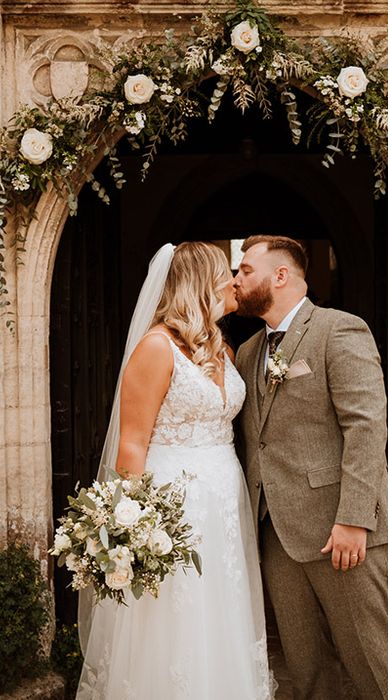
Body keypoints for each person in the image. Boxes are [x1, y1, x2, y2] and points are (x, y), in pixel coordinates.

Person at [77, 242, 274, 699]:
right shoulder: (155, 347)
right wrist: (132, 526)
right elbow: (132, 440)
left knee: (221, 610)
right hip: (174, 503)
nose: (234, 281)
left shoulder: (220, 346)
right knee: (177, 618)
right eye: (226, 273)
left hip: (224, 499)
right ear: (202, 283)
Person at [233, 235, 388, 700]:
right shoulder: (249, 351)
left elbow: (366, 427)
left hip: (342, 528)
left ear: (281, 275)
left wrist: (355, 518)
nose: (236, 280)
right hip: (275, 530)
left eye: (245, 270)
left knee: (373, 661)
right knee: (306, 668)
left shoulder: (340, 329)